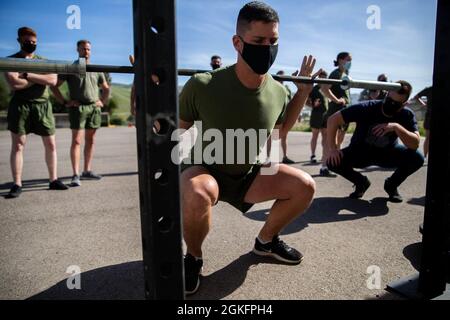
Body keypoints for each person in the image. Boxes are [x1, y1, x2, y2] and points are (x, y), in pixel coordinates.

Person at [178, 1, 319, 295]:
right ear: (237, 43)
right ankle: (193, 257)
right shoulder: (202, 84)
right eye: (259, 41)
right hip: (208, 169)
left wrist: (302, 93)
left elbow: (281, 129)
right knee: (196, 192)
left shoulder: (279, 91)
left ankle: (266, 241)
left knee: (304, 186)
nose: (267, 47)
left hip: (249, 174)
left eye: (273, 41)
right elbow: (178, 130)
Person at [326, 80, 424, 203]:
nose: (391, 104)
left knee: (417, 157)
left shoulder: (406, 115)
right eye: (390, 100)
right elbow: (332, 120)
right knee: (332, 161)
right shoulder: (367, 107)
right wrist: (333, 149)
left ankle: (391, 185)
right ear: (386, 95)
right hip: (360, 153)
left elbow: (415, 144)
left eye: (396, 104)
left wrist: (396, 127)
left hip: (387, 153)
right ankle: (361, 182)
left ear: (404, 104)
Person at [4, 27, 68, 198]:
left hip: (43, 106)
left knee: (51, 144)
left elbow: (53, 80)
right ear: (19, 41)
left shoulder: (45, 61)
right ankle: (17, 183)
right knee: (18, 145)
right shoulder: (10, 61)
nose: (31, 44)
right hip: (20, 106)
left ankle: (53, 180)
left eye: (33, 42)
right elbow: (15, 85)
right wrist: (39, 78)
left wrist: (27, 75)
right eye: (27, 41)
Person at [51, 40, 110, 187]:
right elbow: (54, 86)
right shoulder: (71, 68)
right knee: (77, 141)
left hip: (93, 108)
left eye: (88, 49)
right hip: (78, 109)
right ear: (77, 50)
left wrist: (101, 101)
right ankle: (75, 174)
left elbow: (106, 88)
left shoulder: (96, 69)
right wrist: (65, 102)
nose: (86, 51)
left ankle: (87, 171)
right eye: (83, 49)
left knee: (91, 140)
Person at [320, 52, 352, 177]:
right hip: (335, 112)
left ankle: (334, 166)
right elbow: (324, 88)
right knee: (330, 143)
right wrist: (337, 100)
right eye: (348, 59)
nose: (350, 62)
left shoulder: (345, 74)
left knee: (339, 143)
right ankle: (324, 167)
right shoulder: (335, 73)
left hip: (345, 113)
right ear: (339, 60)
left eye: (351, 60)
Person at [308, 70, 328, 165]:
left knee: (325, 136)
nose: (323, 78)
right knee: (315, 136)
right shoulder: (314, 89)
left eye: (325, 77)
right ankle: (313, 155)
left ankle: (324, 156)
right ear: (319, 77)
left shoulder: (327, 88)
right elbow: (306, 101)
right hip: (316, 115)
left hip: (326, 116)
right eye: (321, 77)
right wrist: (313, 105)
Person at [275, 70, 295, 164]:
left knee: (284, 136)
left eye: (283, 77)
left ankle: (285, 156)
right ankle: (269, 159)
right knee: (272, 137)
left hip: (285, 115)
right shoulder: (273, 87)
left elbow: (291, 102)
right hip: (275, 116)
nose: (282, 79)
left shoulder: (287, 89)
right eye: (280, 76)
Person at [412, 86, 432, 158]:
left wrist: (423, 103)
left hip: (431, 115)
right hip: (430, 115)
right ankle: (425, 156)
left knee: (428, 138)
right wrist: (423, 104)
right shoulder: (429, 89)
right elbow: (416, 96)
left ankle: (425, 157)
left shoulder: (429, 89)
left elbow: (416, 97)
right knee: (428, 137)